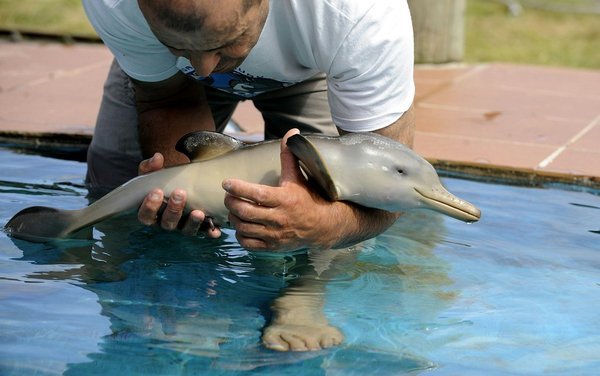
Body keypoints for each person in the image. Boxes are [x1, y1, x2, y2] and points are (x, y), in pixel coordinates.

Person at [82, 0, 415, 351]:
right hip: (170, 80)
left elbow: (385, 186)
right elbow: (167, 98)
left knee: (336, 193)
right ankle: (140, 295)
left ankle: (302, 295)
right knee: (116, 189)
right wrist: (182, 185)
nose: (205, 67)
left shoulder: (357, 14)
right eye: (178, 43)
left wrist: (320, 221)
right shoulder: (115, 4)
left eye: (227, 41)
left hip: (308, 64)